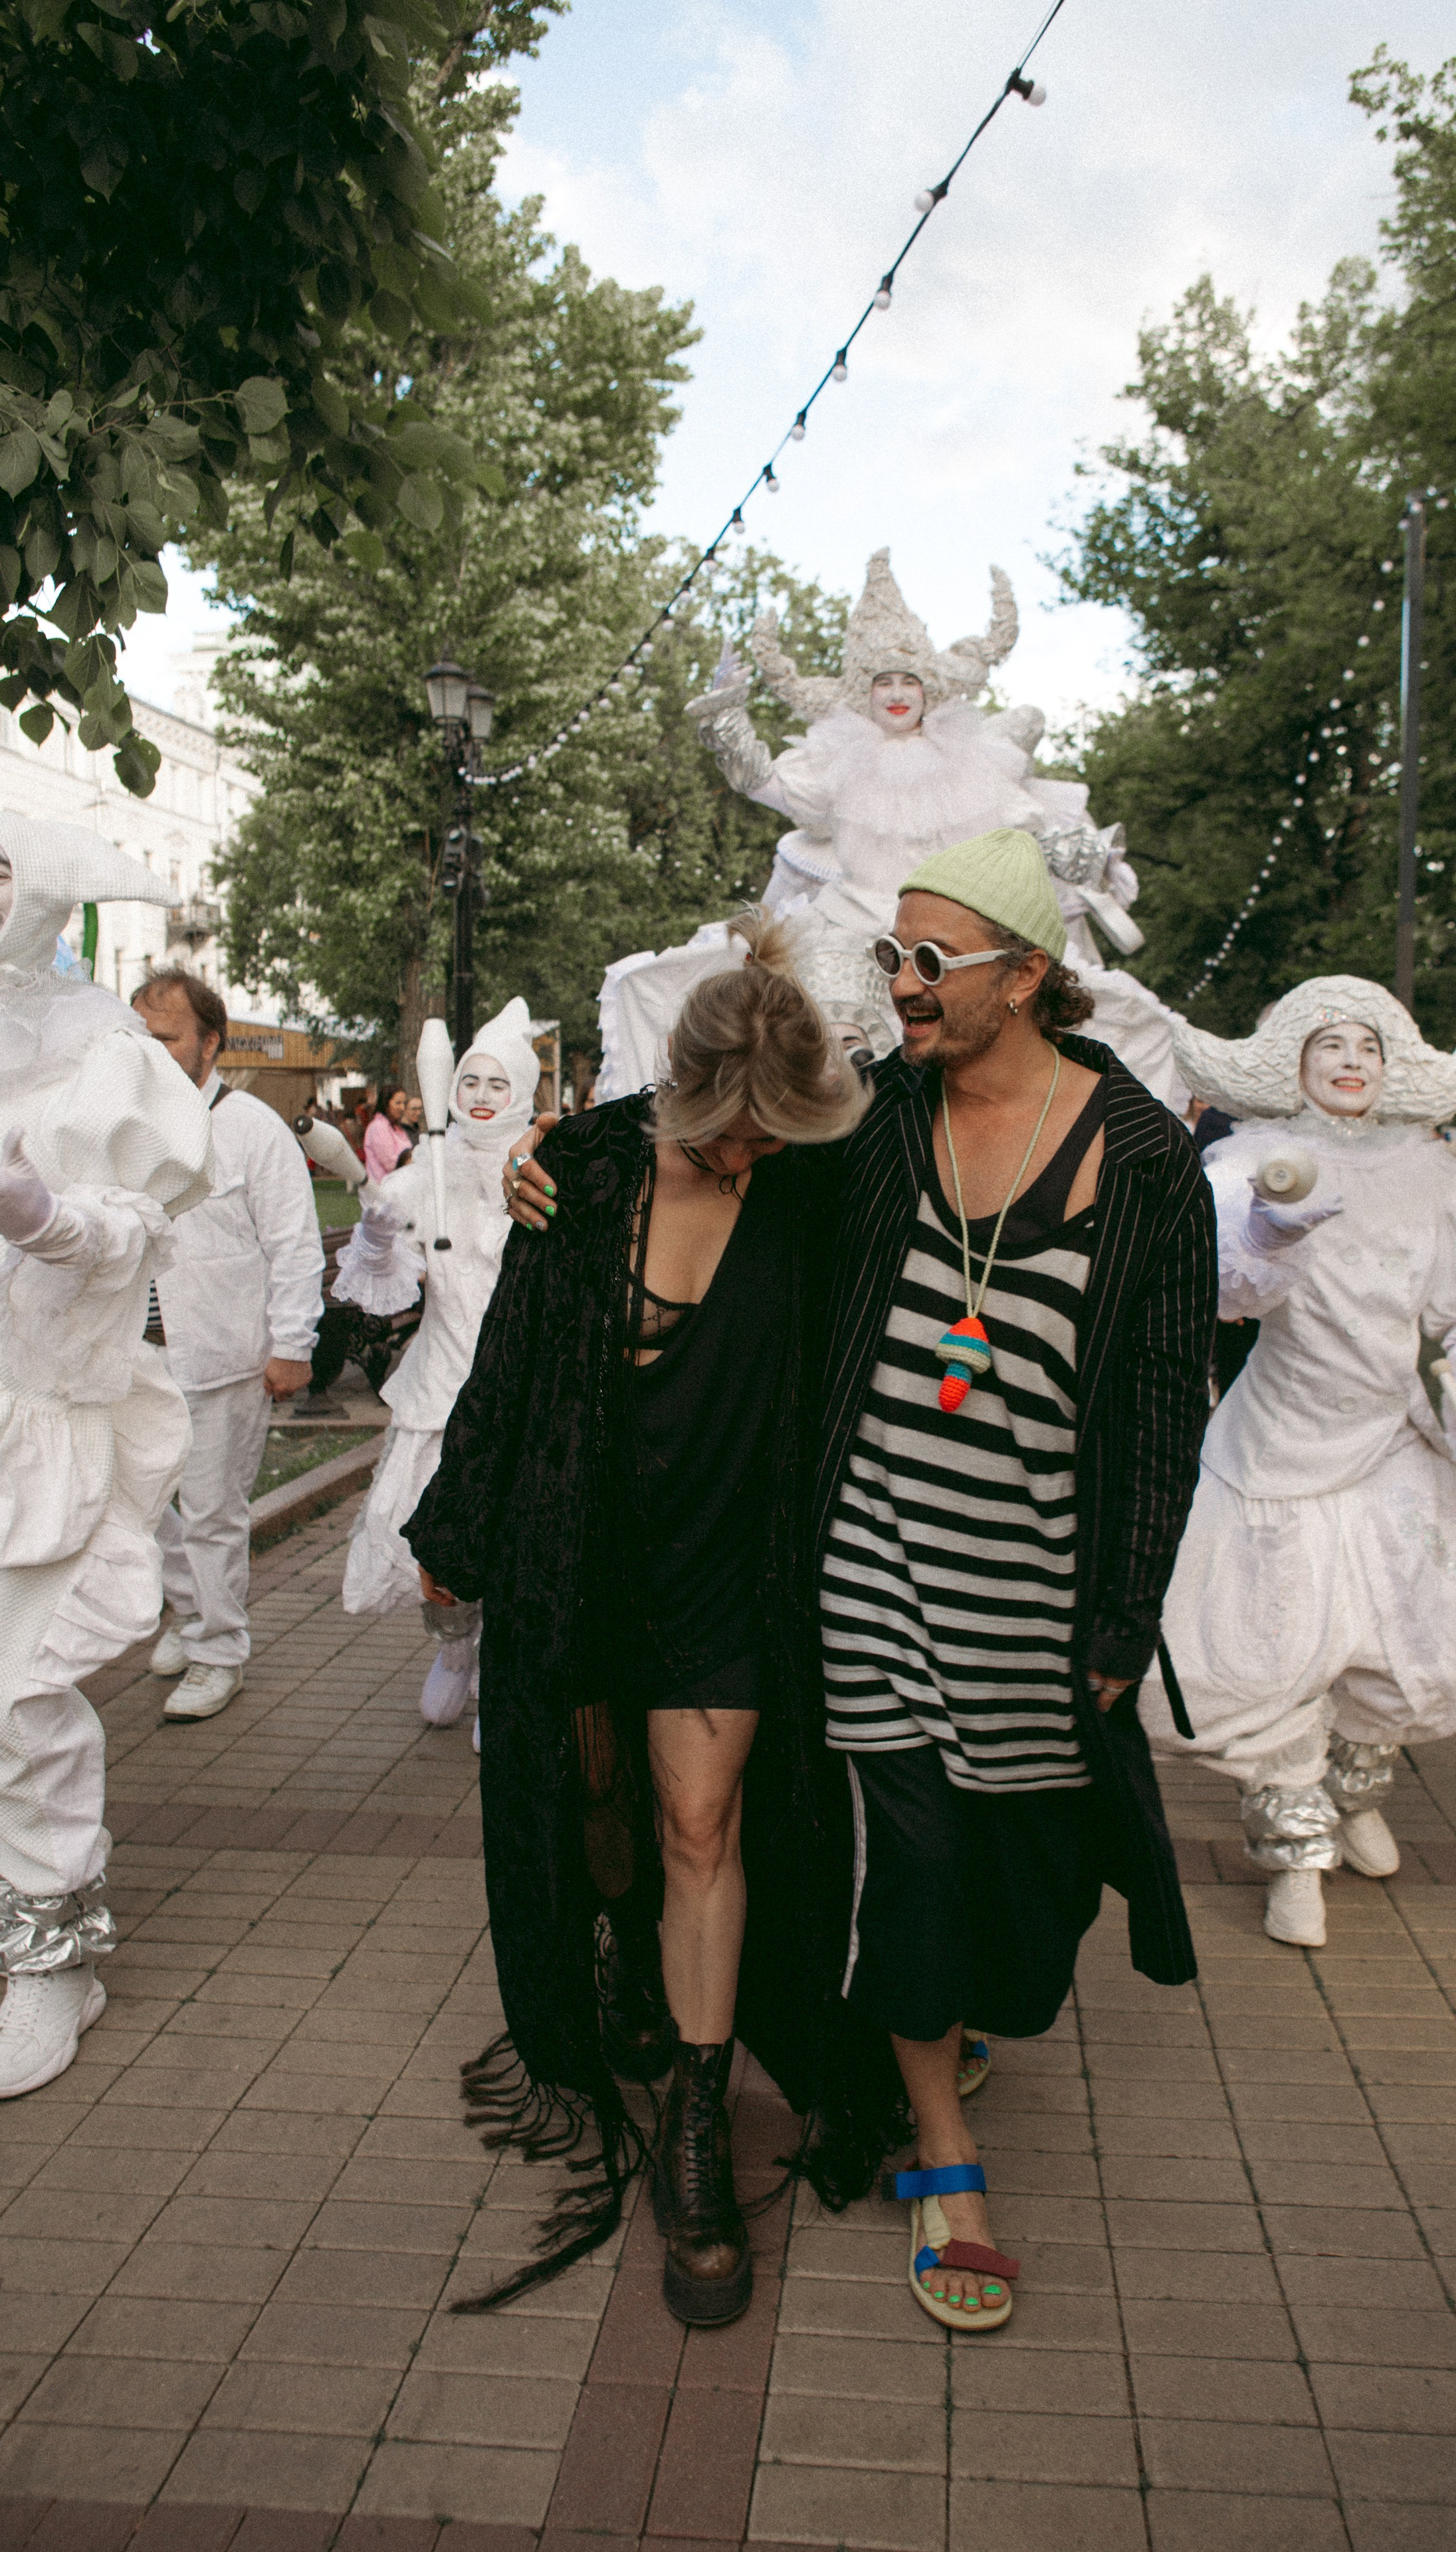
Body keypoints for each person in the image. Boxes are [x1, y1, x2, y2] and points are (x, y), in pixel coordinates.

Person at [408, 918, 904, 2325]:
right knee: (596, 1810)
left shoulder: (817, 1183)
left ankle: (695, 2115)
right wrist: (454, 1538)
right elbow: (508, 1361)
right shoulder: (581, 1168)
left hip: (726, 1572)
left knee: (706, 1825)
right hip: (580, 1550)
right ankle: (625, 1970)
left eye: (776, 1136)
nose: (752, 1158)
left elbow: (950, 1103)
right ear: (676, 1097)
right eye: (732, 1135)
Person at [809, 827, 1217, 2331]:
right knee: (911, 1855)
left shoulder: (1145, 1157)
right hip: (871, 1552)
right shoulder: (871, 1109)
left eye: (931, 960)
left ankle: (958, 2014)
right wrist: (555, 1161)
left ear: (1027, 974)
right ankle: (944, 2151)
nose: (902, 985)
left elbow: (1165, 1398)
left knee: (1022, 1888)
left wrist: (1120, 1609)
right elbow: (707, 1115)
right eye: (891, 957)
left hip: (1038, 1586)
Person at [1139, 978, 1456, 1948]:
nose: (1351, 1062)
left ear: (1389, 1070)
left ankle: (1356, 1791)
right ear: (1296, 1068)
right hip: (1278, 1450)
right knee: (1276, 1648)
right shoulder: (1254, 1163)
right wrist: (1273, 1227)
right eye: (1329, 1048)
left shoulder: (1436, 1181)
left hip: (1392, 1442)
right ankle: (1295, 1847)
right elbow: (1226, 1291)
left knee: (1402, 1640)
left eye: (1368, 1048)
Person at [597, 550, 1185, 1107]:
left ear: (930, 691)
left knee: (1054, 1015)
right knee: (800, 1010)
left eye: (909, 681)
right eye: (883, 682)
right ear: (865, 693)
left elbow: (1021, 830)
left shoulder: (976, 761)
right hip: (855, 918)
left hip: (952, 931)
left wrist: (1082, 857)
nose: (897, 694)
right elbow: (763, 783)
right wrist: (728, 714)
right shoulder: (840, 760)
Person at [0, 815, 212, 2097]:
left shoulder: (97, 1044)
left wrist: (38, 1214)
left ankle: (51, 1960)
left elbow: (132, 1229)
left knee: (14, 1693)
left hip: (31, 1406)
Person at [335, 1000, 538, 1728]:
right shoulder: (428, 1170)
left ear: (525, 1091)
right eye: (470, 1083)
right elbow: (382, 1271)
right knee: (436, 1546)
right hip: (440, 1390)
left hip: (522, 1389)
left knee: (517, 1547)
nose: (482, 1098)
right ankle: (456, 1652)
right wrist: (380, 1231)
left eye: (498, 1085)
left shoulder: (545, 1167)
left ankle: (502, 1677)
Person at [132, 967, 326, 1721]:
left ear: (209, 1042)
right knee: (142, 1503)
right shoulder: (127, 1126)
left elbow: (295, 1243)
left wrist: (292, 1343)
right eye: (140, 1038)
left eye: (166, 1038)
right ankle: (191, 1611)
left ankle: (219, 1652)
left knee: (213, 1509)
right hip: (132, 1357)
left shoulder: (249, 1128)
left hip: (223, 1357)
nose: (151, 1053)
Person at [363, 1084, 416, 1184]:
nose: (402, 1108)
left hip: (399, 1186)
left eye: (404, 1103)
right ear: (386, 1104)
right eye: (398, 1103)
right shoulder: (379, 1126)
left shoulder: (396, 1128)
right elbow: (391, 1163)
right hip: (384, 1190)